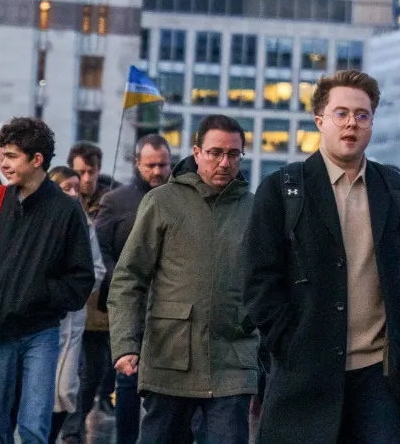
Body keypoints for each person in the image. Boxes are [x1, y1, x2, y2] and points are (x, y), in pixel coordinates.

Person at [246, 69, 400, 444]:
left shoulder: (396, 188)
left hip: (380, 373)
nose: (351, 123)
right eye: (341, 113)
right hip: (306, 368)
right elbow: (259, 279)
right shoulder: (282, 189)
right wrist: (288, 341)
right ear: (320, 120)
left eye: (362, 114)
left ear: (372, 123)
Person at [0, 116, 96, 444]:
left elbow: (81, 279)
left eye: (11, 156)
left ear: (36, 160)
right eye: (2, 155)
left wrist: (40, 295)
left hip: (41, 332)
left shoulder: (66, 211)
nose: (3, 163)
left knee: (33, 428)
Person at [106, 114, 256, 443]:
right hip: (169, 355)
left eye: (234, 154)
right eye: (216, 153)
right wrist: (125, 345)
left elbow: (268, 283)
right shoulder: (162, 202)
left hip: (233, 357)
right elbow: (128, 278)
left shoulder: (254, 209)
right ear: (197, 151)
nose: (225, 162)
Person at [97, 132, 174, 444]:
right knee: (127, 380)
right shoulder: (116, 201)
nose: (157, 171)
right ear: (137, 164)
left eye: (163, 165)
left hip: (169, 305)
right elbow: (98, 250)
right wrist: (123, 279)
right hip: (130, 304)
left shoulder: (178, 199)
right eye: (150, 165)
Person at [50, 166, 108, 442]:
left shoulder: (85, 223)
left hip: (73, 315)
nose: (74, 193)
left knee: (65, 390)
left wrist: (73, 291)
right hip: (39, 319)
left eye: (76, 188)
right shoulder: (41, 219)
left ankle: (56, 433)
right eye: (66, 188)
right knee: (39, 391)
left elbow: (96, 269)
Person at [63, 140, 114, 441]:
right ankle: (70, 427)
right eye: (79, 172)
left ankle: (78, 418)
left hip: (98, 307)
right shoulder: (62, 200)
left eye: (90, 171)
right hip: (70, 305)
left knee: (93, 371)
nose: (85, 179)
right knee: (70, 370)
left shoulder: (110, 202)